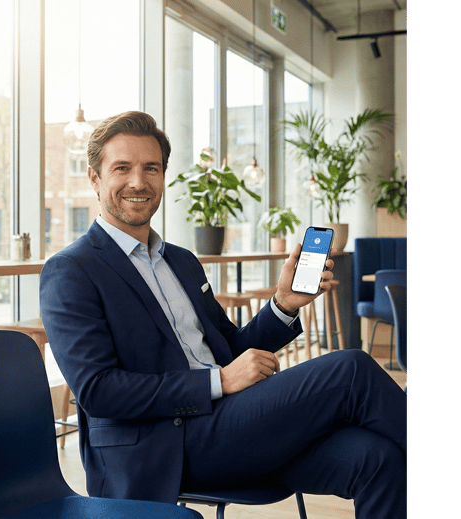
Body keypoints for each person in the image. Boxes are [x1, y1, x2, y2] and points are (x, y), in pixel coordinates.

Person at [39, 111, 407, 518]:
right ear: (94, 178)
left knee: (378, 457)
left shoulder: (180, 261)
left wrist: (283, 304)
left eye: (151, 168)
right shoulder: (71, 270)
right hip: (164, 448)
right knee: (351, 369)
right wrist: (218, 381)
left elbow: (230, 348)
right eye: (121, 168)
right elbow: (98, 391)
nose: (138, 182)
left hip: (235, 429)